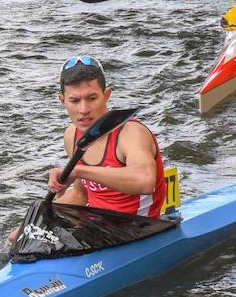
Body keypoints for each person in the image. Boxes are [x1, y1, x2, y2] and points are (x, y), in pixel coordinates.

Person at [46, 55, 167, 217]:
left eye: (92, 98)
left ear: (106, 95)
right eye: (74, 101)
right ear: (63, 101)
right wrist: (32, 222)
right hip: (99, 227)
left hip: (140, 227)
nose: (83, 109)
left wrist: (80, 171)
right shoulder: (71, 135)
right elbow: (81, 195)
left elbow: (145, 181)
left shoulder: (130, 134)